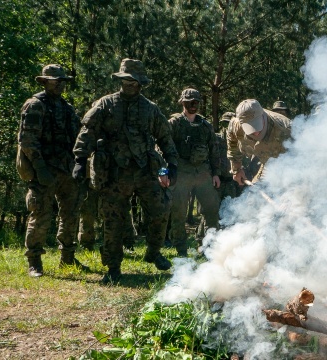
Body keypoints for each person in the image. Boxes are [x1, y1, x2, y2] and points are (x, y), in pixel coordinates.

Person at [72, 58, 179, 283]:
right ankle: (113, 267)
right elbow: (88, 131)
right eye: (126, 80)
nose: (130, 85)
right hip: (114, 172)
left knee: (161, 209)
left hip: (145, 171)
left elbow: (165, 137)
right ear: (120, 80)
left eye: (134, 81)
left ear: (141, 84)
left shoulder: (150, 109)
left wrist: (172, 164)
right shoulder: (105, 104)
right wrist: (80, 160)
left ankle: (154, 252)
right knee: (113, 220)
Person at [17, 64, 88, 277]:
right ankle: (34, 262)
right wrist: (40, 169)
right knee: (40, 214)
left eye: (62, 81)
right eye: (55, 81)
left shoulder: (66, 108)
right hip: (44, 169)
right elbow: (27, 141)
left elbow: (78, 135)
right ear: (45, 81)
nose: (59, 85)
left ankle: (67, 257)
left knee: (70, 213)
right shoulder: (35, 105)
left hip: (66, 169)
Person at [167, 88, 221, 256]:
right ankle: (181, 250)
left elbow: (214, 150)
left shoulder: (205, 125)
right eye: (190, 102)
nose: (193, 105)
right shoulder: (174, 123)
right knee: (179, 213)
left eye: (196, 102)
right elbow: (164, 146)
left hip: (203, 173)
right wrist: (167, 170)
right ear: (183, 103)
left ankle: (210, 248)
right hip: (181, 173)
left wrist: (216, 173)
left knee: (212, 210)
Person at [227, 99, 292, 185]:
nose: (256, 133)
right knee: (255, 192)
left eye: (257, 125)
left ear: (263, 116)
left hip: (286, 164)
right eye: (250, 128)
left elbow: (302, 161)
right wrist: (237, 169)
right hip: (265, 160)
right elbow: (233, 145)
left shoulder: (286, 129)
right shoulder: (235, 125)